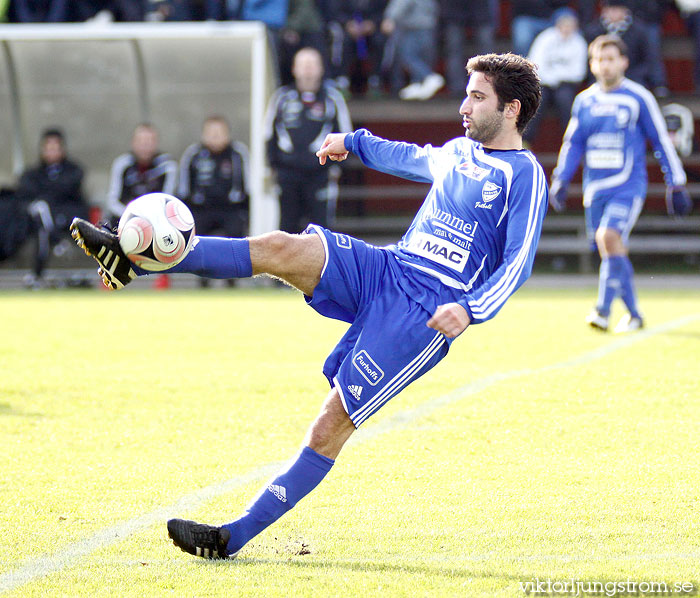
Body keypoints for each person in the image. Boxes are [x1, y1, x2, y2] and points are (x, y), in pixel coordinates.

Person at [70, 52, 547, 560]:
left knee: (331, 422)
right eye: (467, 94)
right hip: (388, 267)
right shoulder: (457, 152)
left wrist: (470, 309)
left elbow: (517, 262)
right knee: (282, 247)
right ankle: (135, 262)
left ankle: (232, 536)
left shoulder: (524, 176)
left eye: (477, 97)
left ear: (511, 109)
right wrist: (354, 142)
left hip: (423, 313)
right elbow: (410, 155)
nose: (464, 107)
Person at [549, 35, 689, 333]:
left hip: (628, 185)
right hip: (594, 189)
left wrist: (675, 182)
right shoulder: (584, 101)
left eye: (612, 58)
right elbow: (573, 143)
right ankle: (635, 314)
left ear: (624, 62)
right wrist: (561, 178)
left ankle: (602, 310)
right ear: (592, 65)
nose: (606, 64)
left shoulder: (638, 98)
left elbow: (660, 140)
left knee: (608, 237)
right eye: (600, 59)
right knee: (608, 248)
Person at [264, 47, 352, 233]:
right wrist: (272, 167)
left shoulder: (332, 98)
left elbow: (345, 135)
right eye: (303, 65)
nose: (308, 70)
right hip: (287, 176)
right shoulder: (281, 98)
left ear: (321, 69)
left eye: (312, 65)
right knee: (286, 229)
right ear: (294, 69)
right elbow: (268, 135)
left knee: (322, 231)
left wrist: (335, 168)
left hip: (320, 176)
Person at [179, 115, 250, 287]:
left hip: (230, 209)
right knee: (198, 234)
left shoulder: (238, 154)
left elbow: (248, 188)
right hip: (202, 209)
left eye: (220, 132)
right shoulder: (193, 155)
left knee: (236, 233)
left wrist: (246, 213)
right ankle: (202, 277)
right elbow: (183, 190)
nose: (216, 137)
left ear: (227, 134)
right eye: (211, 133)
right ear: (204, 135)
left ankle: (232, 278)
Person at [15, 128, 87, 288]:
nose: (52, 152)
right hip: (36, 224)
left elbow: (68, 191)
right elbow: (25, 194)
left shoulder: (74, 171)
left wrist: (46, 195)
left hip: (66, 219)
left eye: (56, 147)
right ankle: (57, 242)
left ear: (63, 149)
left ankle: (37, 274)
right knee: (40, 211)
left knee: (44, 218)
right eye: (48, 148)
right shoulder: (31, 174)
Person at [525, 7, 588, 145]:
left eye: (570, 24)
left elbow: (578, 72)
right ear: (556, 24)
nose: (566, 28)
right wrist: (551, 78)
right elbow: (535, 65)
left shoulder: (579, 42)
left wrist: (557, 77)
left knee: (565, 100)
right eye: (563, 24)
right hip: (543, 82)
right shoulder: (545, 38)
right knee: (536, 100)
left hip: (566, 84)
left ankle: (571, 139)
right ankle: (526, 140)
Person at [105, 122, 178, 225]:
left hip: (156, 220)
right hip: (124, 217)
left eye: (149, 141)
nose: (145, 145)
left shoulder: (167, 166)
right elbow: (112, 201)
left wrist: (148, 218)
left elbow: (169, 200)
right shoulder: (122, 164)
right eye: (141, 141)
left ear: (156, 143)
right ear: (133, 142)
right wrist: (132, 215)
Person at [381, 0, 444, 100]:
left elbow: (401, 3)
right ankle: (417, 84)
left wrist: (390, 18)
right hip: (428, 25)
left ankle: (429, 76)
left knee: (407, 55)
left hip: (414, 27)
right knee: (420, 56)